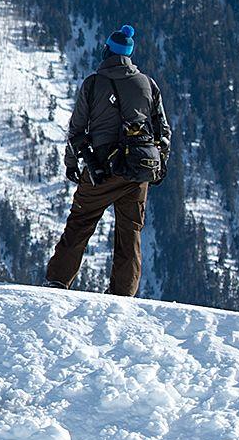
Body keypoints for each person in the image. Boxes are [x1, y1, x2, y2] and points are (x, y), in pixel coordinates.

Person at [46, 25, 170, 296]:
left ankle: (57, 282)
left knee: (80, 222)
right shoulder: (148, 84)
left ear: (108, 51)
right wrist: (160, 165)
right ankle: (123, 294)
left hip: (100, 169)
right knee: (130, 232)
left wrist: (71, 163)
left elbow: (77, 129)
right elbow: (163, 131)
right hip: (138, 170)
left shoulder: (93, 83)